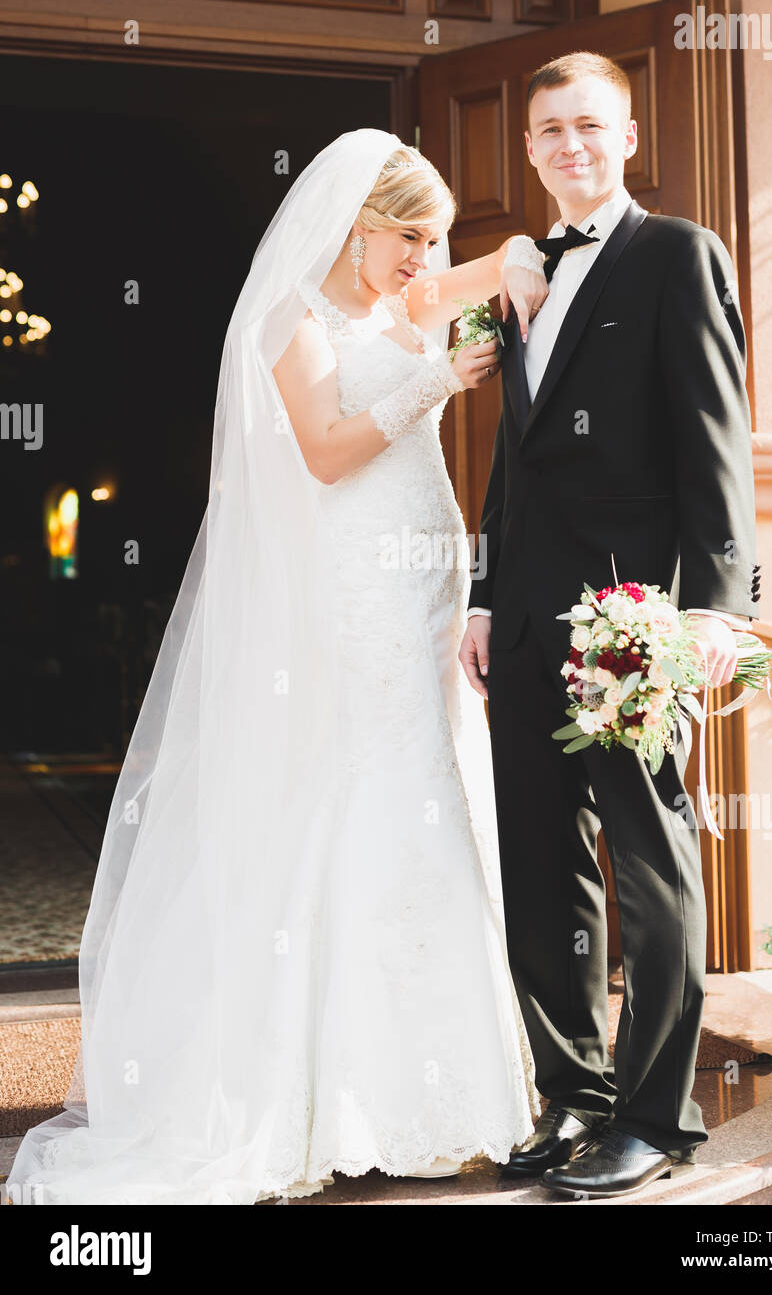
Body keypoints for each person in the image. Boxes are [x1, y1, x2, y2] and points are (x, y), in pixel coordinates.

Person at [6, 130, 549, 1205]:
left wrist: (521, 259)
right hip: (354, 596)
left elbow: (515, 256)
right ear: (357, 225)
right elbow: (327, 448)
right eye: (409, 236)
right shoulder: (292, 321)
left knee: (433, 793)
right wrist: (442, 377)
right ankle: (335, 1096)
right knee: (364, 793)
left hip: (425, 591)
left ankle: (447, 1098)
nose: (424, 257)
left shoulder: (404, 296)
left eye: (434, 238)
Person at [459, 51, 761, 1200]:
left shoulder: (677, 253)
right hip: (528, 630)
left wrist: (714, 610)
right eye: (548, 131)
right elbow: (515, 464)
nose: (569, 146)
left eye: (589, 126)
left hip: (630, 623)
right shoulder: (522, 273)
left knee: (648, 865)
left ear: (626, 137)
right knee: (540, 873)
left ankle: (650, 1115)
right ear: (527, 148)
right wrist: (486, 597)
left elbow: (713, 443)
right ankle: (571, 1095)